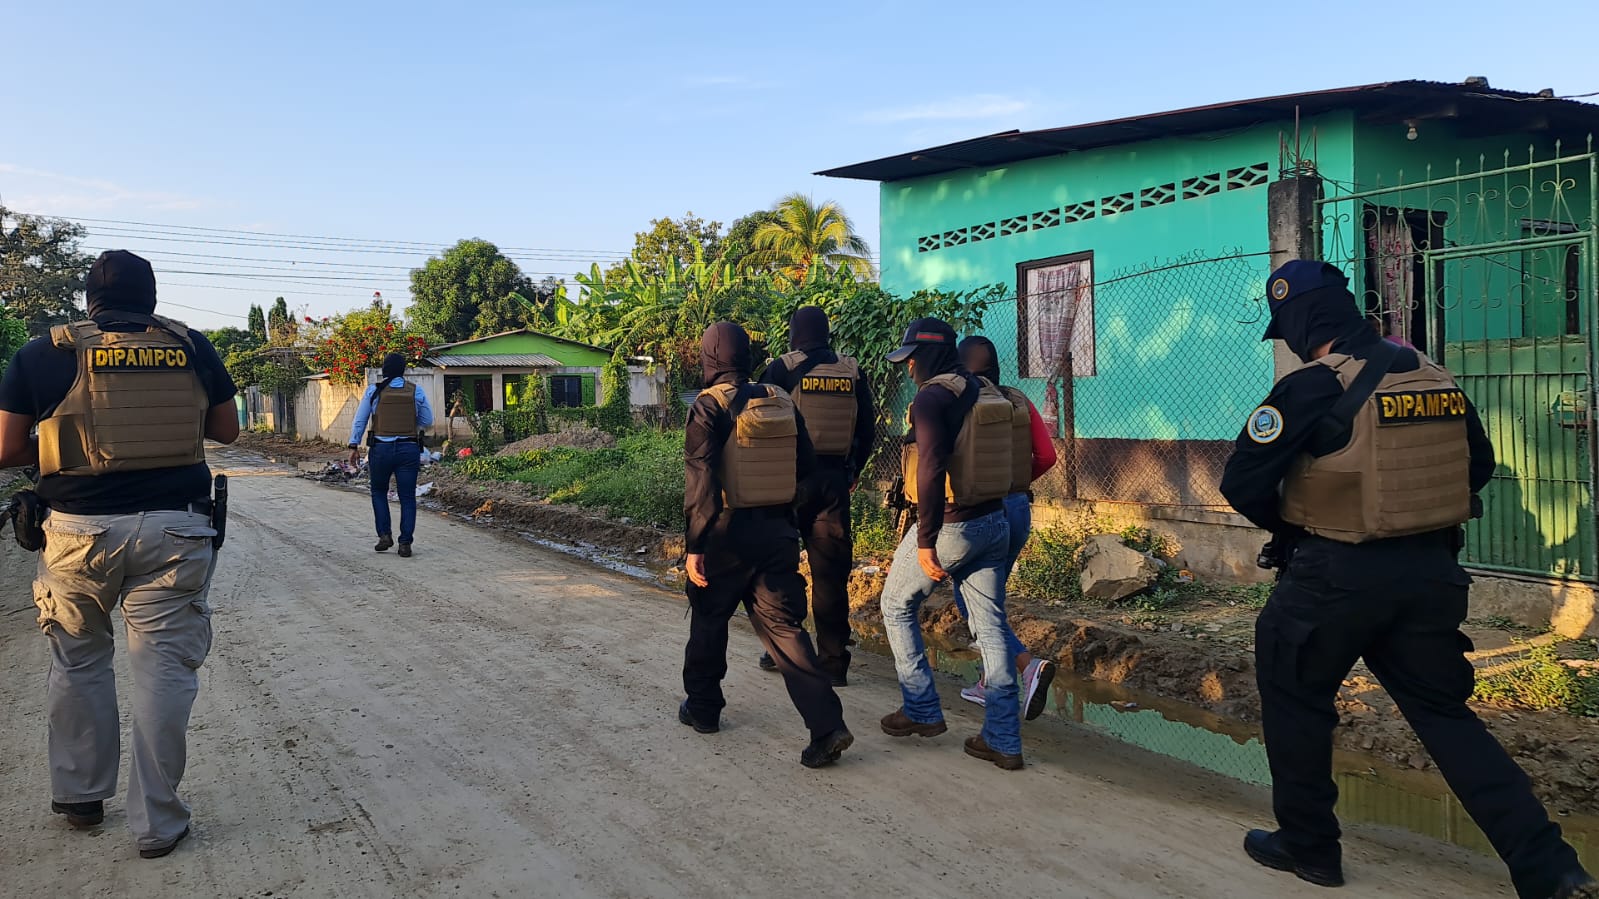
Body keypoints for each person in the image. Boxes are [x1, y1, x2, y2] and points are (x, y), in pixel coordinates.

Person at [1221, 260, 1596, 898]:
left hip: (1332, 576)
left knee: (1295, 699)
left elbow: (1243, 483)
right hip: (1430, 575)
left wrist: (1301, 521)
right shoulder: (1432, 374)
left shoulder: (1311, 386)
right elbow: (1478, 464)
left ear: (1300, 323)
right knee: (1445, 716)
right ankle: (1550, 868)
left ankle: (1310, 848)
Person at [0, 250, 239, 859]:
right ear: (152, 299)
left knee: (79, 661)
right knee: (163, 672)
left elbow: (6, 449)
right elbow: (226, 430)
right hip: (176, 533)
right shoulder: (191, 346)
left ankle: (81, 797)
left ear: (90, 301)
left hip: (76, 536)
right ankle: (158, 823)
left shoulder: (43, 352)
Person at [679, 322, 854, 768]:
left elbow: (701, 479)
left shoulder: (708, 405)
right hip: (777, 534)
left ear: (710, 357)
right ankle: (827, 727)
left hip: (725, 537)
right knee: (785, 629)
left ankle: (703, 709)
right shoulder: (780, 399)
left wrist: (695, 545)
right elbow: (806, 467)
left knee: (709, 619)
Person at [878, 317, 1023, 769]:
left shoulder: (932, 397)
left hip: (952, 526)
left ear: (928, 355)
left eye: (911, 359)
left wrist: (926, 540)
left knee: (895, 604)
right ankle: (1003, 739)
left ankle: (921, 708)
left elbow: (931, 467)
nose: (908, 368)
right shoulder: (983, 389)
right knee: (991, 629)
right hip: (994, 521)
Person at [754, 306, 876, 686]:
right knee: (831, 574)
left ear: (795, 334)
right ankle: (834, 662)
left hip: (788, 484)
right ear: (826, 334)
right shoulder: (851, 371)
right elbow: (868, 428)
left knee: (779, 567)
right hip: (834, 483)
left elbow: (757, 422)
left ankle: (786, 650)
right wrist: (853, 471)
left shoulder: (781, 369)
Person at [950, 335, 1059, 720]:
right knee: (988, 598)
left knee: (972, 599)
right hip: (1017, 508)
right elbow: (1047, 456)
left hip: (980, 511)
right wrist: (1016, 482)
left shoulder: (959, 400)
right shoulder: (1017, 399)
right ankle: (989, 679)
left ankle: (1026, 666)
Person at [348, 352, 434, 558]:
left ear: (385, 369)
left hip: (381, 450)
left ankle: (384, 535)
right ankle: (405, 543)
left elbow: (360, 420)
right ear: (403, 370)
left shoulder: (374, 391)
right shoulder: (415, 391)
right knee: (407, 497)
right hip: (408, 449)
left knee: (379, 491)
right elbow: (427, 420)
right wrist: (409, 423)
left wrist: (353, 445)